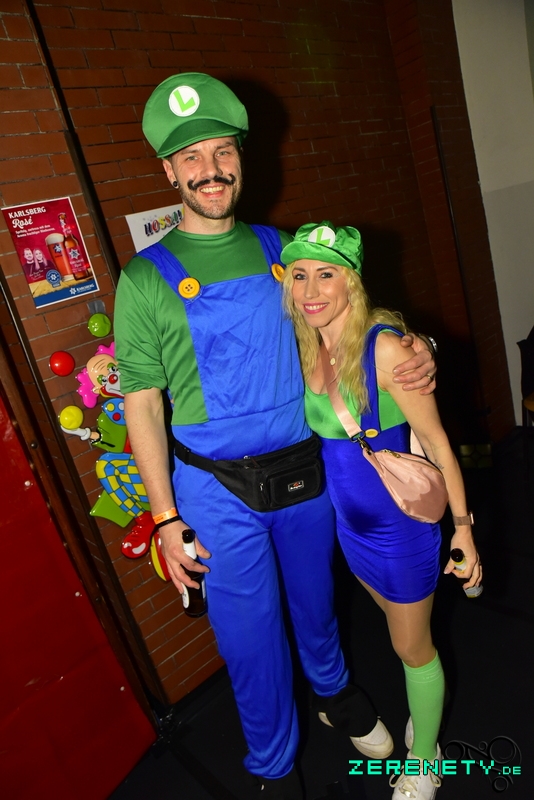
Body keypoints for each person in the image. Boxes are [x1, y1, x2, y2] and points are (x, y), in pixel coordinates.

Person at [114, 73, 437, 799]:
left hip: (305, 472)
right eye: (191, 158)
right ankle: (274, 768)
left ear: (240, 159)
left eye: (221, 152)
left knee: (317, 604)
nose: (210, 170)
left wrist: (417, 347)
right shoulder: (144, 279)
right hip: (214, 490)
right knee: (250, 638)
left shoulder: (282, 249)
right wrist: (164, 516)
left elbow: (351, 325)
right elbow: (142, 403)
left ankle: (336, 695)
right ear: (169, 172)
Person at [280, 222, 482, 800]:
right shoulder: (308, 344)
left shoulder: (387, 348)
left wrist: (463, 531)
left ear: (352, 282)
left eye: (326, 274)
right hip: (352, 530)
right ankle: (428, 706)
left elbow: (439, 443)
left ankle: (425, 759)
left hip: (401, 531)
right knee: (403, 633)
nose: (311, 290)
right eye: (300, 276)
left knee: (411, 649)